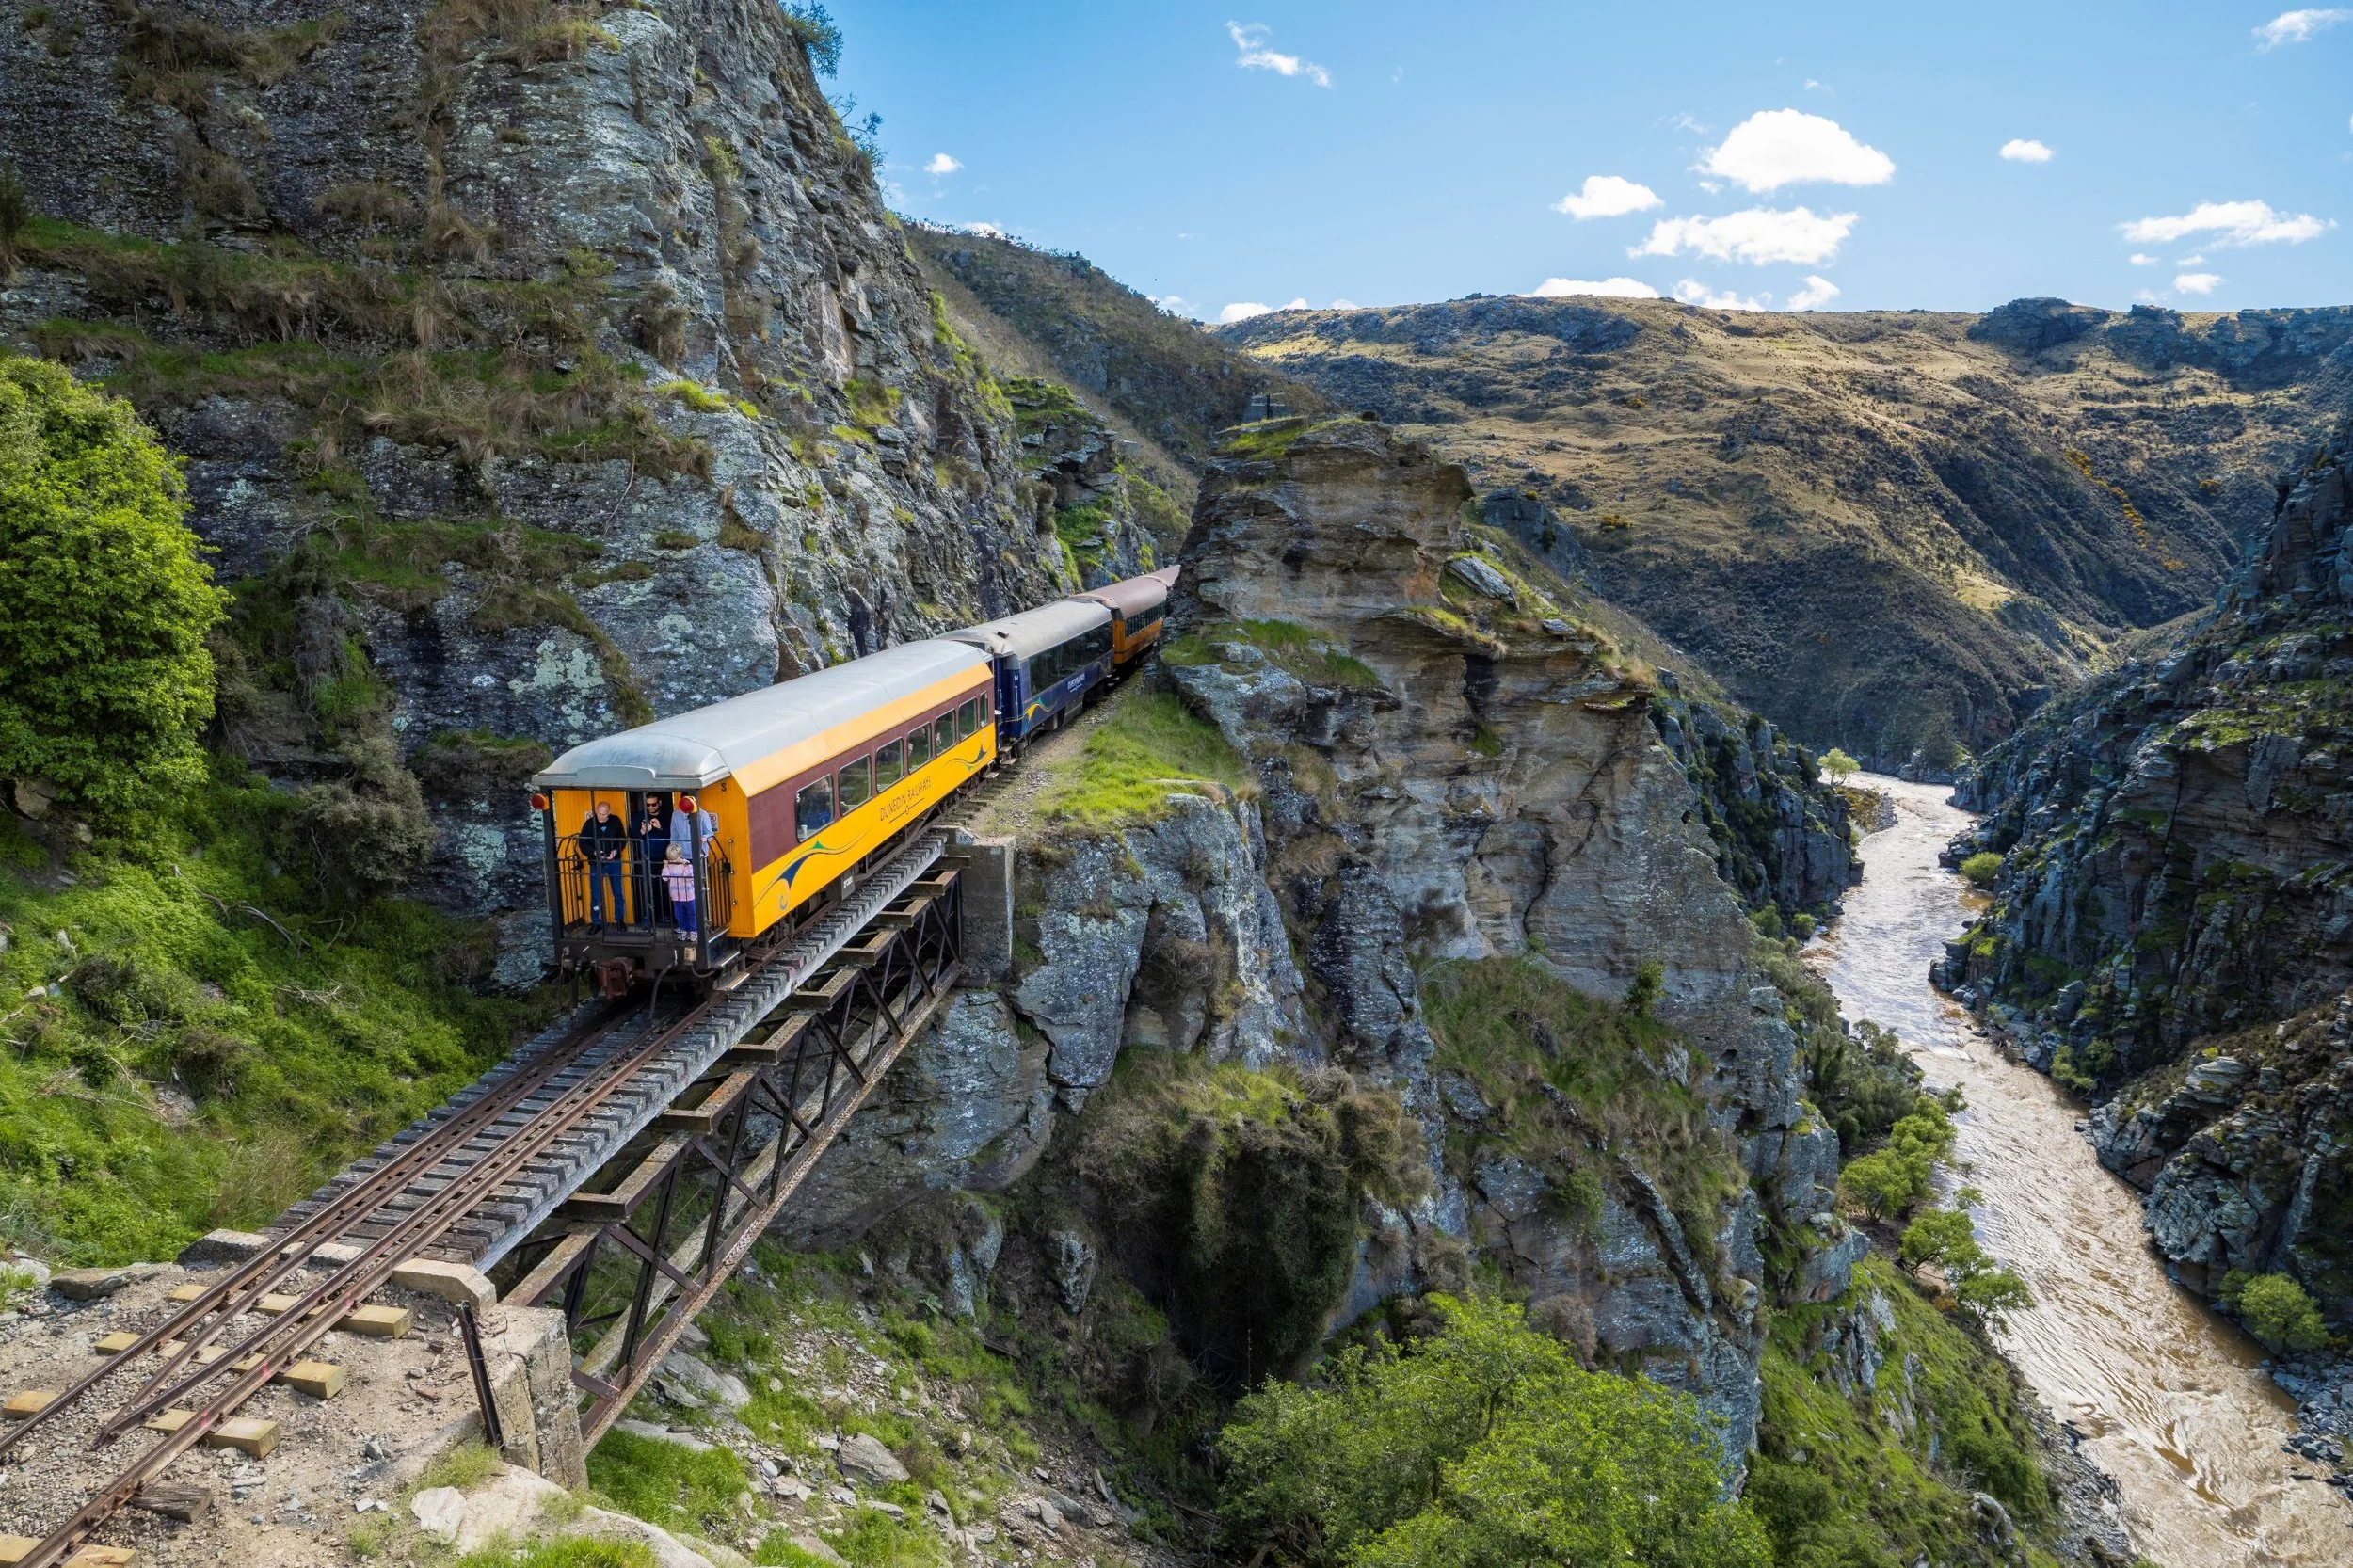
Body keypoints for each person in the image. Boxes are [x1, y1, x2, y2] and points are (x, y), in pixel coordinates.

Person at [580, 799, 629, 931]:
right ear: (596, 811)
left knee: (618, 892)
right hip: (596, 863)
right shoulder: (589, 824)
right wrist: (595, 852)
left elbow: (623, 840)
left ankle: (620, 920)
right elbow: (582, 844)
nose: (601, 817)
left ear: (609, 812)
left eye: (604, 814)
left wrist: (615, 851)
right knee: (595, 894)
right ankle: (596, 923)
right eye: (599, 814)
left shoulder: (616, 821)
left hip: (614, 862)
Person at [636, 798, 670, 927]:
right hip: (646, 858)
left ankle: (666, 915)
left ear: (660, 803)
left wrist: (659, 827)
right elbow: (633, 835)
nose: (650, 807)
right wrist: (643, 831)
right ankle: (649, 917)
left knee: (665, 888)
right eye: (648, 805)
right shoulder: (640, 816)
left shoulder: (667, 815)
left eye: (653, 804)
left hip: (665, 859)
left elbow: (672, 835)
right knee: (648, 888)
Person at [662, 842, 699, 953]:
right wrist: (666, 866)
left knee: (691, 913)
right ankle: (683, 931)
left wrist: (685, 866)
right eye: (670, 859)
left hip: (688, 895)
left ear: (679, 856)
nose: (672, 861)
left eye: (674, 858)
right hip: (676, 895)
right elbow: (665, 878)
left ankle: (693, 931)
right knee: (679, 914)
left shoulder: (687, 864)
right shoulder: (670, 865)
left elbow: (689, 878)